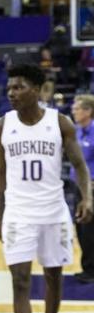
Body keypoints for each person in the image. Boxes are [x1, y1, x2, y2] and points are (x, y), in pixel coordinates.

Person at [0, 64, 93, 313]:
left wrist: (87, 197)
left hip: (53, 212)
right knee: (20, 281)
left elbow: (79, 164)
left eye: (19, 87)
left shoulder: (59, 123)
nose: (12, 92)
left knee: (54, 277)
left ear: (37, 89)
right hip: (19, 214)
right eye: (10, 87)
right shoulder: (1, 125)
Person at [70, 95, 94, 283]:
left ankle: (91, 271)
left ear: (88, 111)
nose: (73, 111)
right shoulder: (76, 131)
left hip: (91, 187)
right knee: (80, 228)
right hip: (76, 186)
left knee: (89, 230)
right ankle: (87, 267)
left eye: (77, 109)